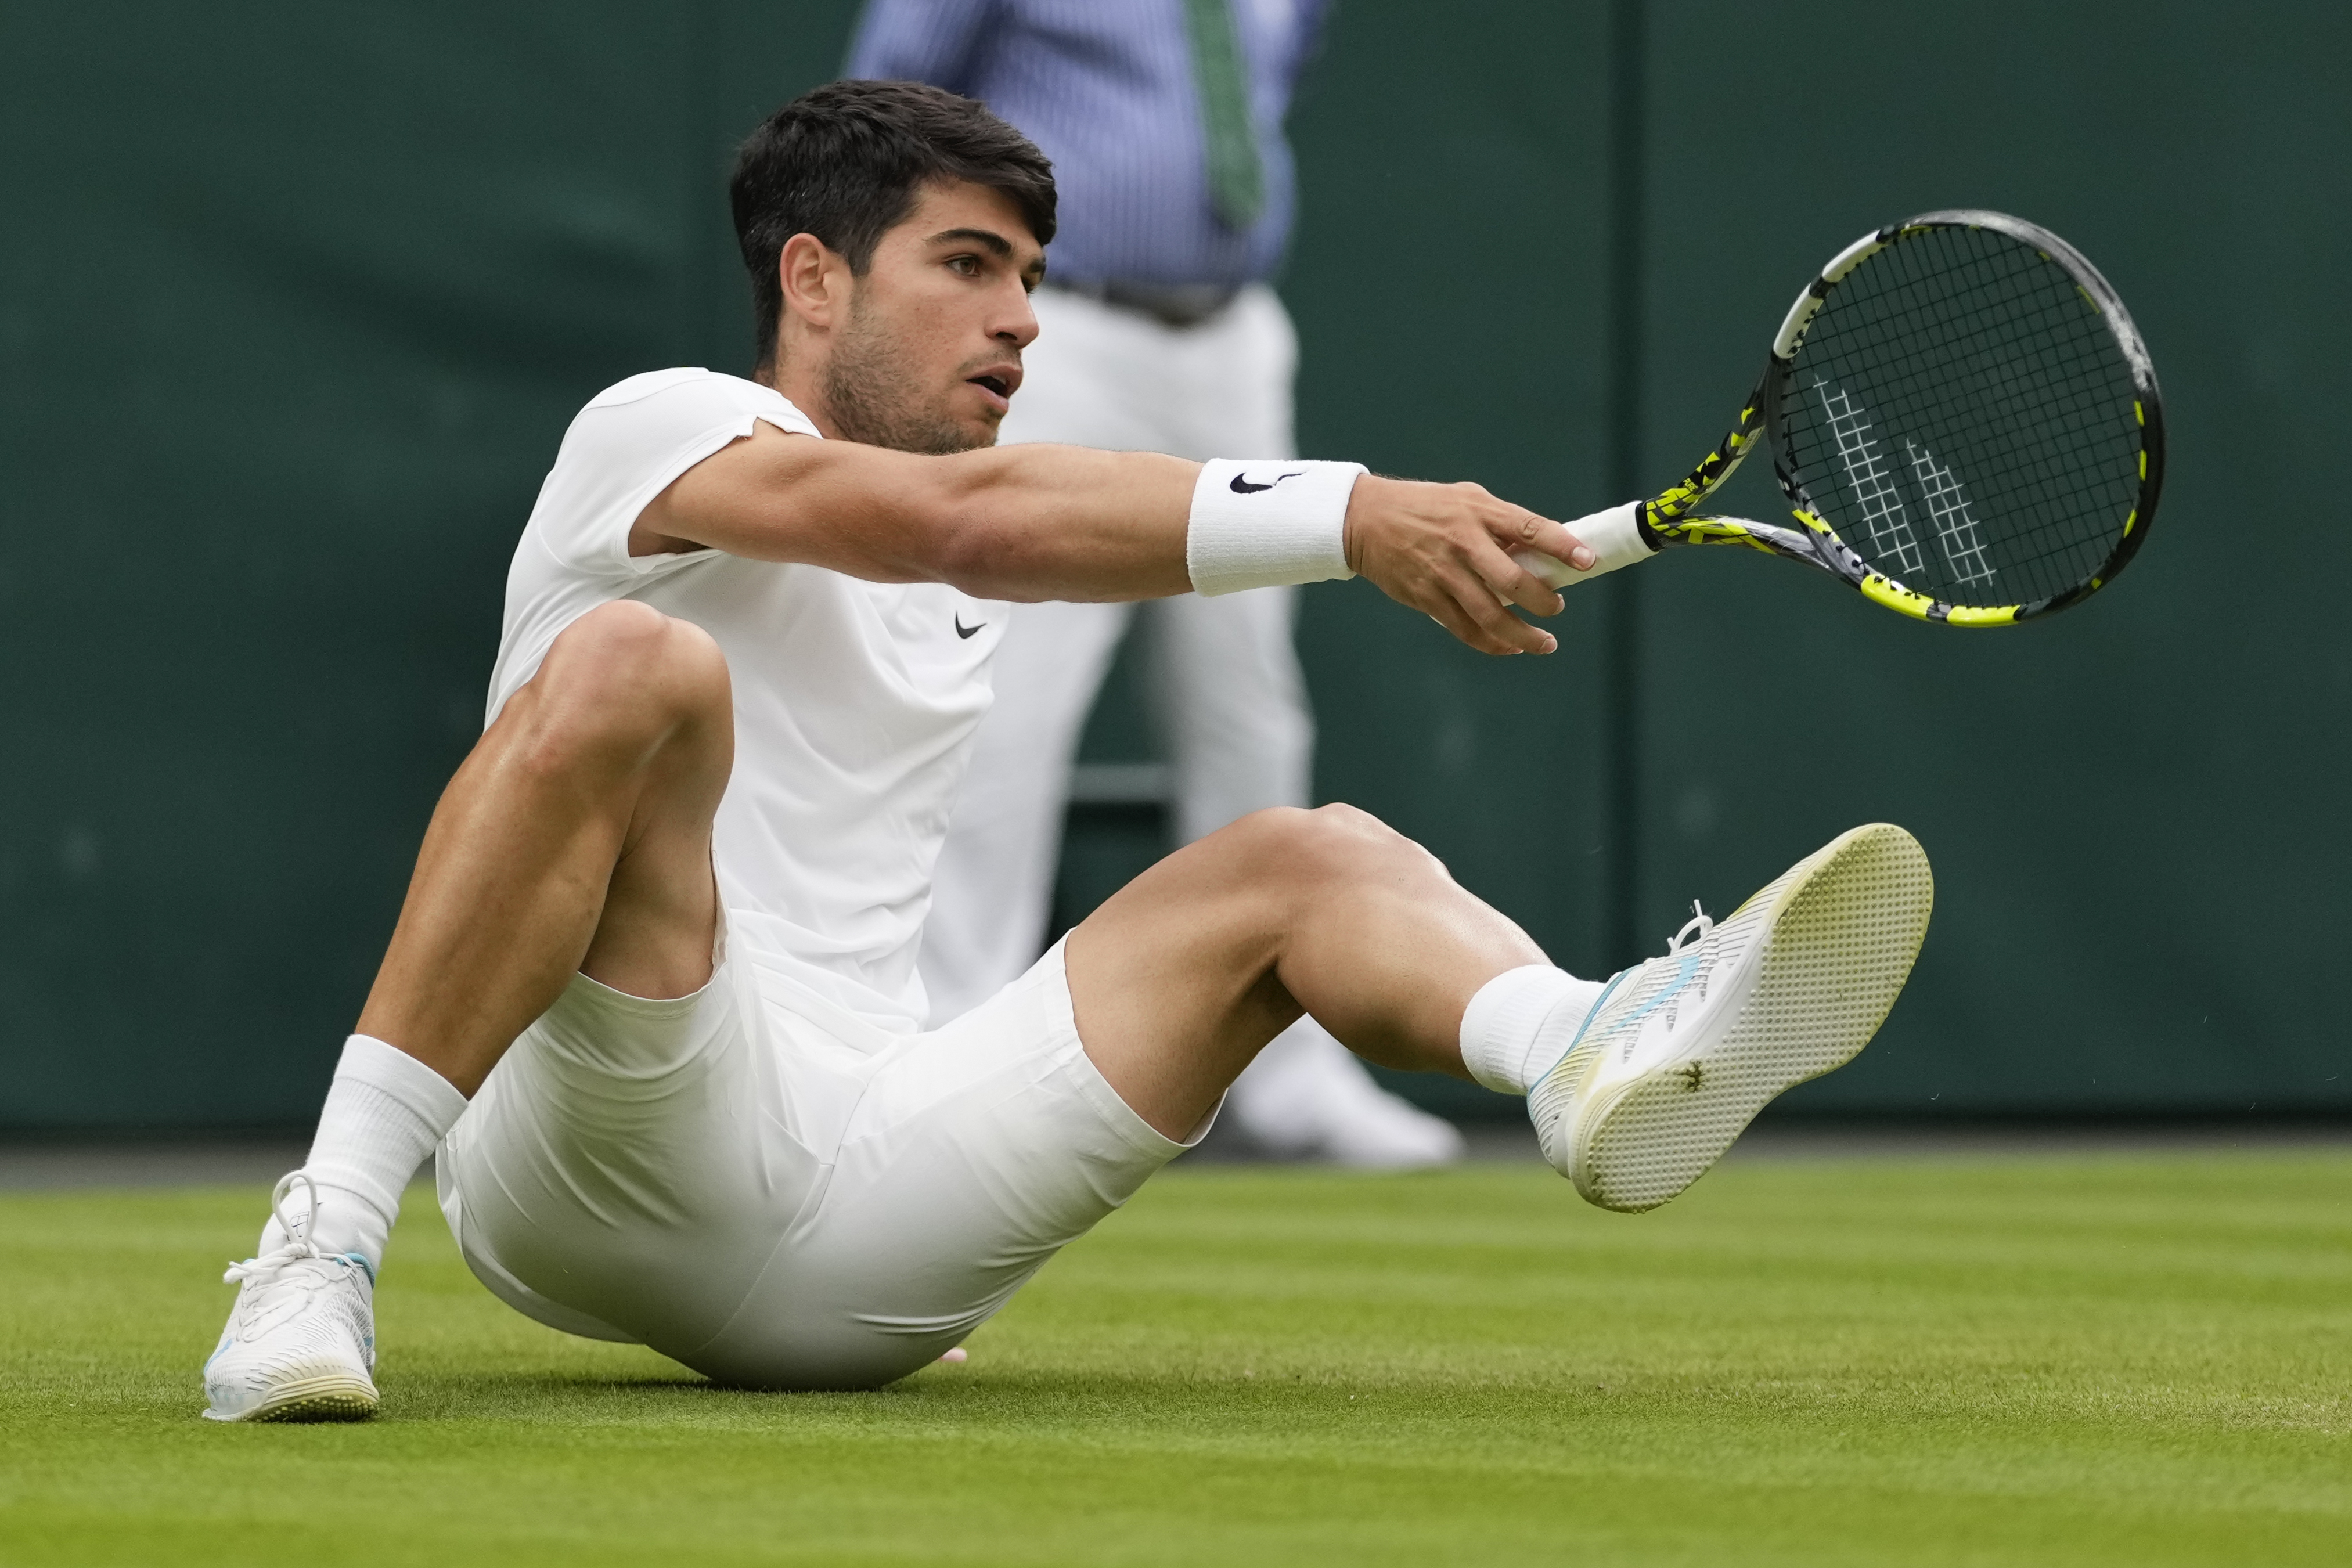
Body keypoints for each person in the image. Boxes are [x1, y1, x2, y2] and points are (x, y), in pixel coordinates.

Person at [200, 81, 1933, 1422]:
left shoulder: (988, 527)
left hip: (860, 1241)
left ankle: (1582, 1045)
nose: (1021, 316)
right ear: (811, 278)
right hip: (588, 1153)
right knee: (634, 666)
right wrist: (1350, 511)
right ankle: (323, 1241)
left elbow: (1012, 524)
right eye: (968, 267)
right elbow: (966, 525)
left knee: (1301, 855)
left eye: (1032, 275)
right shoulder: (661, 429)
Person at [845, 2, 1463, 1165]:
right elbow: (883, 121)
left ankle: (1284, 1064)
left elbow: (1256, 92)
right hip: (1051, 330)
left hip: (1232, 337)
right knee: (1005, 704)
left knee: (1249, 708)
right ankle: (946, 1055)